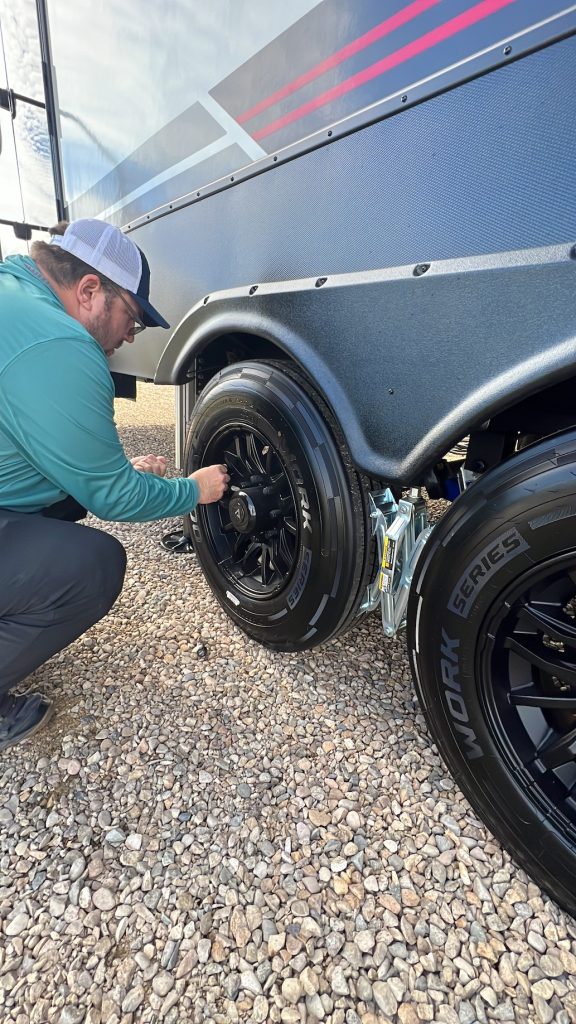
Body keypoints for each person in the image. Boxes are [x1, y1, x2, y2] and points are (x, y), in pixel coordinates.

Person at [0, 218, 229, 750]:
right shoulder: (61, 344)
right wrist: (193, 490)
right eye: (133, 315)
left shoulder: (15, 291)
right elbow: (114, 498)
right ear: (89, 290)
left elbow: (40, 441)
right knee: (96, 565)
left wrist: (115, 471)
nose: (133, 333)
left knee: (68, 505)